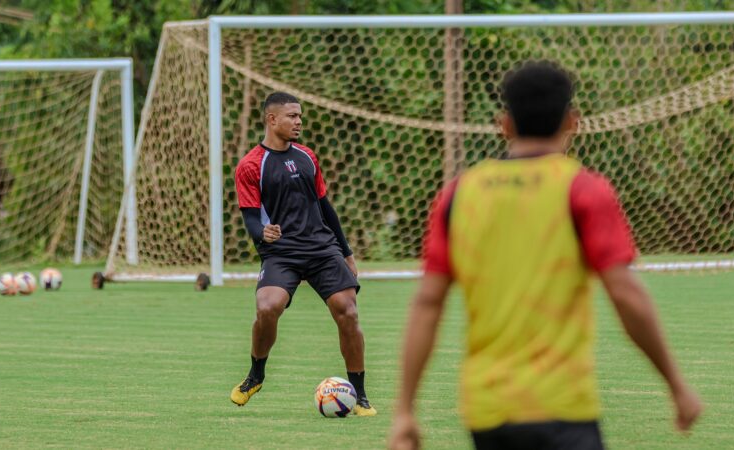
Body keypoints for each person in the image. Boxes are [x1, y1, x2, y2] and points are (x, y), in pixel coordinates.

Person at [388, 61, 702, 449]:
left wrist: (405, 409)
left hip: (488, 410)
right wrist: (676, 384)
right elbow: (625, 293)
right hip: (563, 406)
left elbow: (428, 303)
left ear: (504, 124)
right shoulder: (583, 189)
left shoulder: (459, 194)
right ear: (573, 121)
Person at [232, 92, 376, 416]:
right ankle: (256, 373)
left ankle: (361, 396)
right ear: (272, 120)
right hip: (281, 253)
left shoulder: (307, 157)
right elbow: (251, 216)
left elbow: (326, 207)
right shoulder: (252, 165)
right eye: (292, 116)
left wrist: (347, 252)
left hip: (321, 248)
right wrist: (261, 233)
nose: (299, 122)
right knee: (267, 307)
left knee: (348, 311)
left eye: (300, 116)